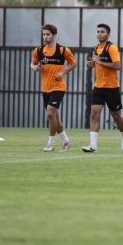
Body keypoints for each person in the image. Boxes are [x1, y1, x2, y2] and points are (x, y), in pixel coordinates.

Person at [82, 23, 123, 153]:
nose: (99, 34)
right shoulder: (96, 47)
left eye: (102, 32)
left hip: (111, 88)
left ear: (108, 34)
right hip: (98, 87)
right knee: (94, 116)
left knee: (116, 116)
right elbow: (99, 64)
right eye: (98, 31)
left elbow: (118, 65)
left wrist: (99, 62)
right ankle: (93, 146)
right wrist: (93, 64)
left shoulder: (111, 47)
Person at [30, 24, 77, 152]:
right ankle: (66, 141)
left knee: (50, 113)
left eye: (48, 34)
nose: (45, 37)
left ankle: (50, 144)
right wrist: (35, 68)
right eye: (43, 34)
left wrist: (63, 72)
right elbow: (32, 64)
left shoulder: (62, 50)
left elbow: (73, 63)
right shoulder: (38, 51)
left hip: (58, 87)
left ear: (54, 35)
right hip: (45, 88)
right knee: (54, 117)